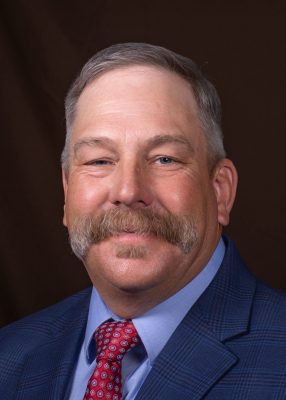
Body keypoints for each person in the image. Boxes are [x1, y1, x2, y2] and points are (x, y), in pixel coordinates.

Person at [0, 43, 286, 400]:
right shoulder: (8, 357)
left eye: (164, 159)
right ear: (67, 190)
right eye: (99, 160)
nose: (128, 190)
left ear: (220, 191)